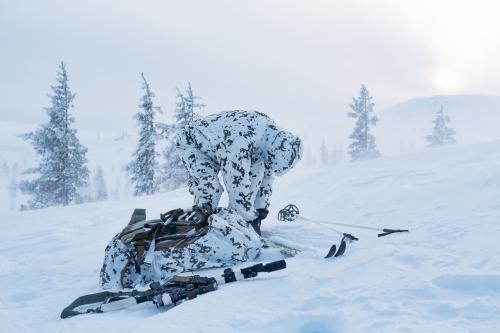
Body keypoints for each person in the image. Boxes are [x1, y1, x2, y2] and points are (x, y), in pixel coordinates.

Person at [176, 110, 303, 235]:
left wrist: (260, 208)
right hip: (193, 142)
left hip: (222, 146)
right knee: (210, 189)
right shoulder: (240, 141)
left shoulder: (272, 141)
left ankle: (236, 228)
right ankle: (198, 229)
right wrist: (249, 219)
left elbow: (267, 177)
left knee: (255, 178)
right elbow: (236, 185)